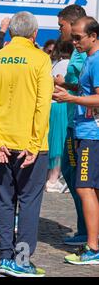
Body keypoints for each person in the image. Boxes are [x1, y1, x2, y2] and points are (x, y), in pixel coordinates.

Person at [0, 11, 53, 277]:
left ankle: (5, 258)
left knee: (5, 200)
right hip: (31, 145)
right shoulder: (42, 60)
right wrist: (33, 145)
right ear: (34, 34)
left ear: (10, 33)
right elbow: (43, 106)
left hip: (2, 144)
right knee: (30, 202)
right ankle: (21, 261)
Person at [52, 16, 99, 265]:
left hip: (91, 134)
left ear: (93, 36)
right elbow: (86, 90)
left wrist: (71, 100)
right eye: (73, 37)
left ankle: (92, 247)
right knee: (90, 188)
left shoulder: (97, 59)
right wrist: (67, 88)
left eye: (79, 38)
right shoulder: (89, 59)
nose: (74, 42)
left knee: (84, 187)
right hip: (86, 131)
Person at [54, 4, 88, 246]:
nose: (60, 31)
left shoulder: (86, 51)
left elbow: (88, 87)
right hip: (71, 119)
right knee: (69, 172)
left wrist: (65, 87)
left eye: (61, 26)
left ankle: (88, 231)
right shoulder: (77, 51)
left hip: (81, 123)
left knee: (80, 178)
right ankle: (83, 227)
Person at [46, 40, 73, 193]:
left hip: (52, 105)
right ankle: (53, 179)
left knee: (53, 141)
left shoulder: (55, 63)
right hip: (61, 105)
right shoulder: (68, 63)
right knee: (59, 143)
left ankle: (51, 178)